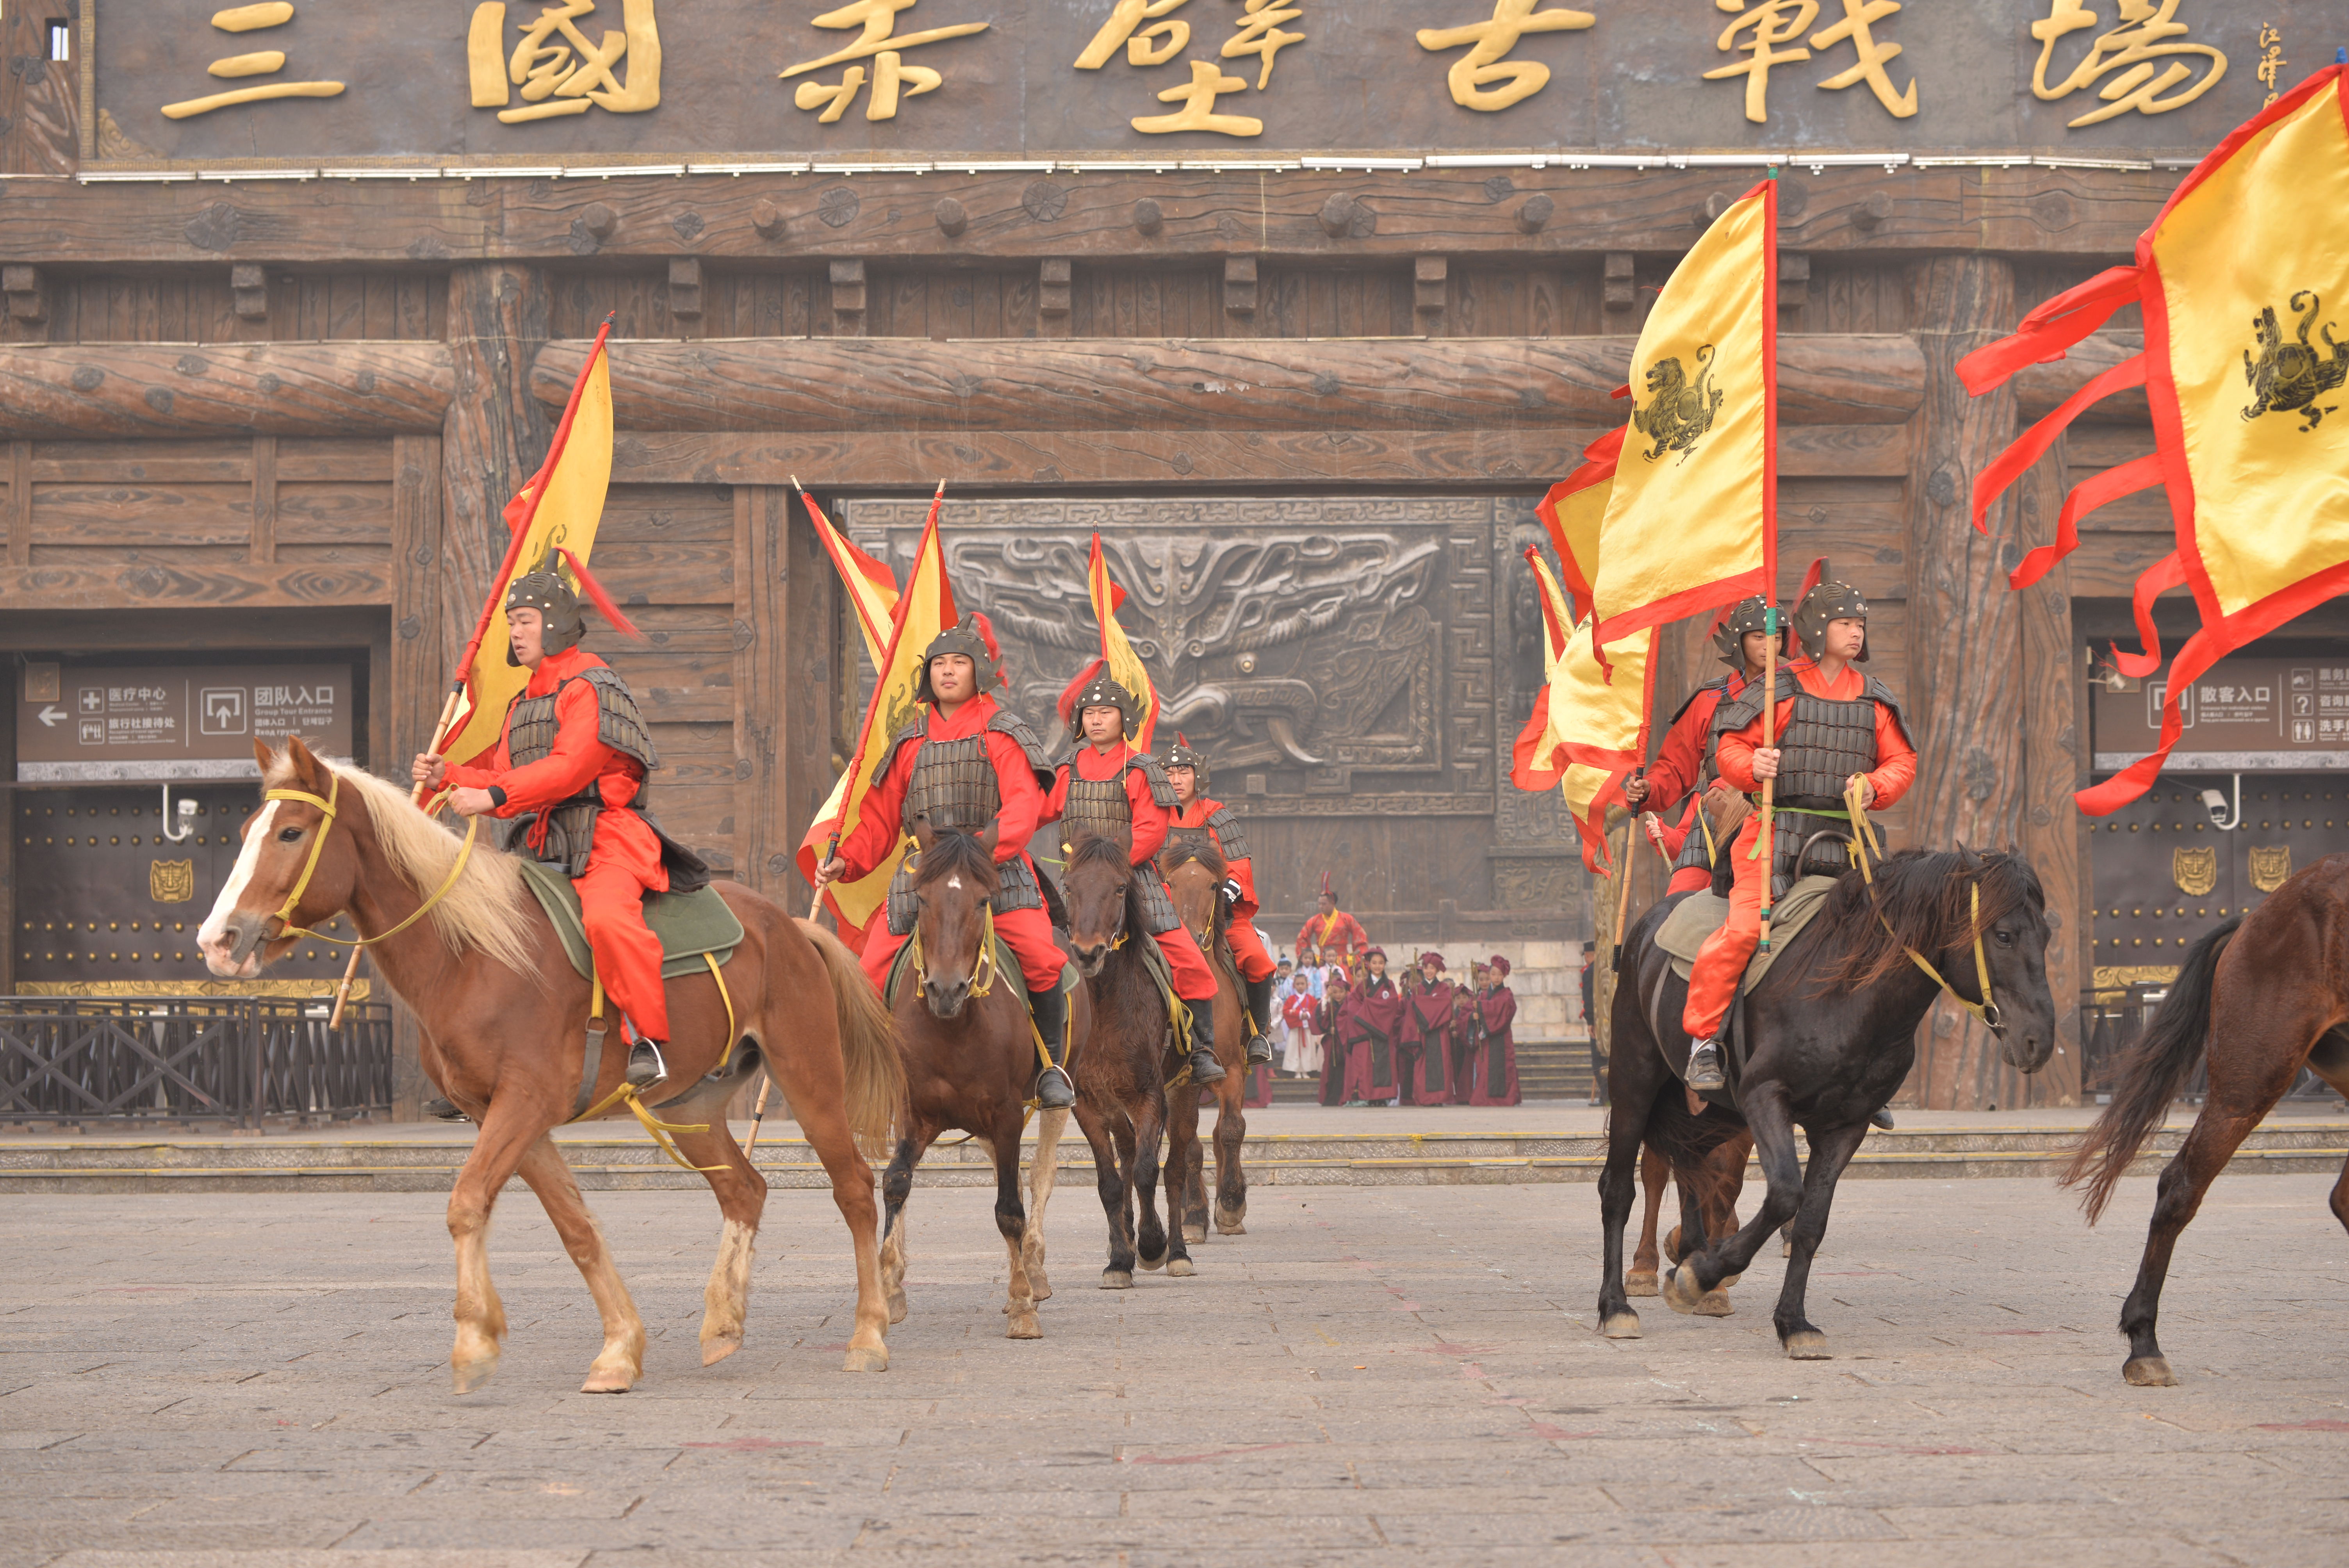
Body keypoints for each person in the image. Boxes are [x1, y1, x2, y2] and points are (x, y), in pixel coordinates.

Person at [413, 545, 708, 1092]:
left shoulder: (593, 687)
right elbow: (502, 773)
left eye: (524, 621)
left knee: (607, 921)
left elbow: (570, 770)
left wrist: (494, 793)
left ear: (555, 623)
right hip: (539, 845)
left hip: (605, 838)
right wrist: (448, 776)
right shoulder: (524, 703)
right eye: (510, 623)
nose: (516, 633)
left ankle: (649, 1039)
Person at [814, 615, 1079, 1110]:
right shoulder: (910, 740)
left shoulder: (1004, 732)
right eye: (939, 664)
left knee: (1043, 959)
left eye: (959, 663)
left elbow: (1022, 805)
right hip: (926, 875)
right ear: (927, 675)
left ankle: (1050, 1068)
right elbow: (878, 820)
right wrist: (844, 862)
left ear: (979, 670)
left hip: (995, 869)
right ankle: (866, 1073)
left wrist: (982, 849)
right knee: (869, 972)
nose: (949, 672)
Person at [1681, 581, 1916, 1091]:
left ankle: (1864, 1067)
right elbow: (1730, 750)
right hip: (1773, 833)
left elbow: (1902, 760)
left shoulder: (1875, 699)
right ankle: (1703, 1043)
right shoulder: (1779, 689)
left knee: (1880, 945)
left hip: (1846, 841)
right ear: (1816, 629)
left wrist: (1875, 785)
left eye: (1860, 625)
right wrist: (1753, 765)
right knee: (1744, 931)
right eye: (1845, 623)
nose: (1855, 633)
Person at [1044, 666, 1223, 1087]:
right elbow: (1042, 810)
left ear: (1124, 718)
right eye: (1090, 712)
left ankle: (1201, 1047)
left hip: (1133, 878)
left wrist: (1113, 864)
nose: (1097, 719)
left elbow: (1150, 829)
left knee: (1188, 958)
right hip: (1080, 885)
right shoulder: (1067, 767)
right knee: (1038, 949)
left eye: (1106, 711)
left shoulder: (1140, 767)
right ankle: (1046, 1050)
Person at [1627, 596, 1786, 897]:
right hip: (1713, 817)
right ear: (1739, 640)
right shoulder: (1711, 698)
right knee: (1678, 902)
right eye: (1758, 637)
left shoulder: (1798, 692)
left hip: (1784, 813)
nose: (1769, 645)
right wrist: (1650, 788)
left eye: (1776, 637)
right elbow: (1676, 764)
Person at [1162, 733, 1277, 1067]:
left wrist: (1227, 891)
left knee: (1258, 960)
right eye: (1169, 773)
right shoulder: (1154, 816)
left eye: (1183, 772)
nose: (1177, 780)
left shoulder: (1217, 815)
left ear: (1197, 777)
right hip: (1165, 915)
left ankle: (1257, 1033)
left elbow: (1239, 863)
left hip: (1219, 913)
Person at [1346, 947, 1404, 1106]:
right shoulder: (1363, 986)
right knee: (1367, 1065)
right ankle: (1370, 1097)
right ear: (1369, 964)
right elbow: (1353, 1004)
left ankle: (1383, 1097)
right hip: (1368, 1032)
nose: (1378, 966)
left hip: (1383, 1032)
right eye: (1374, 963)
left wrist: (1369, 1008)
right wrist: (1367, 1016)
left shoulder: (1389, 986)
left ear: (1385, 965)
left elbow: (1391, 1006)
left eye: (1381, 963)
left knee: (1384, 1064)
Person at [1467, 955, 1520, 1106]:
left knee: (1503, 1068)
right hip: (1487, 1040)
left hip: (1502, 1038)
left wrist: (1482, 1008)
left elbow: (1502, 1011)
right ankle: (1484, 1098)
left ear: (1504, 976)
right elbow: (1470, 1013)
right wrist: (1474, 1016)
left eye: (1500, 975)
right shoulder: (1483, 995)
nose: (1496, 978)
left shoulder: (1507, 995)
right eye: (1494, 974)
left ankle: (1502, 1099)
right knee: (1484, 1069)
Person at [1406, 951, 1457, 1105]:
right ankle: (1424, 1098)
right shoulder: (1417, 989)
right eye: (1426, 967)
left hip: (1439, 1033)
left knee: (1441, 1064)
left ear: (1438, 970)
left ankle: (1439, 1098)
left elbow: (1445, 1006)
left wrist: (1424, 1006)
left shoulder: (1444, 989)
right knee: (1423, 1065)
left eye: (1433, 968)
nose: (1429, 971)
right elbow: (1412, 1011)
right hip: (1422, 1033)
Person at [1294, 875, 1369, 967]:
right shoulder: (1314, 921)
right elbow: (1302, 938)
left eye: (1324, 904)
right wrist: (1313, 958)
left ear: (1333, 904)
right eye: (1319, 904)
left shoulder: (1347, 919)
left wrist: (1353, 958)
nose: (1321, 907)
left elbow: (1361, 936)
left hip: (1343, 961)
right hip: (1322, 962)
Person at [1317, 966, 1354, 1106]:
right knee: (1331, 1071)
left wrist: (1339, 1030)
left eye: (1341, 992)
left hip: (1346, 1043)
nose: (1338, 995)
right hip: (1333, 1044)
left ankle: (1344, 1097)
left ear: (1346, 992)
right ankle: (1331, 1098)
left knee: (1344, 1071)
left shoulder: (1350, 1004)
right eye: (1336, 992)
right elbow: (1322, 1018)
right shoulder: (1330, 1005)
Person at [1280, 969, 1322, 1078]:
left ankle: (1306, 1070)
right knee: (1294, 1049)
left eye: (1302, 984)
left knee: (1308, 1050)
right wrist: (1299, 1015)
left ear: (1307, 985)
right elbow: (1286, 1011)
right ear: (1294, 985)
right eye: (1298, 984)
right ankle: (1297, 1070)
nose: (1300, 986)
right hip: (1295, 1029)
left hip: (1307, 1029)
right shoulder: (1291, 999)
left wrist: (1308, 1015)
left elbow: (1316, 1011)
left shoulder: (1311, 999)